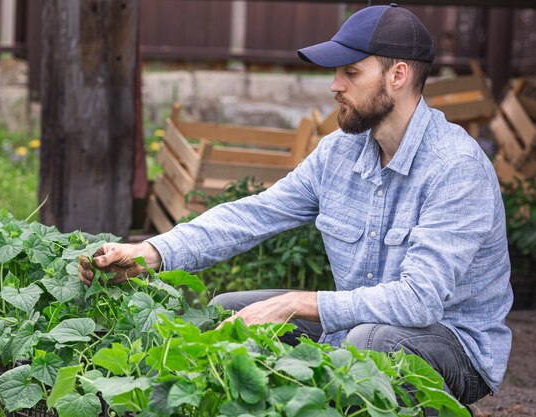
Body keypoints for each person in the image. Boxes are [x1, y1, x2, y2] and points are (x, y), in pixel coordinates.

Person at [79, 3, 512, 408]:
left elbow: (419, 301)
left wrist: (294, 302)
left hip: (455, 346)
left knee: (370, 343)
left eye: (350, 73)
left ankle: (432, 410)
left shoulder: (455, 168)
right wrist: (151, 252)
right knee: (232, 310)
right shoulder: (339, 152)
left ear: (397, 75)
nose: (334, 85)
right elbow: (254, 214)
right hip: (361, 331)